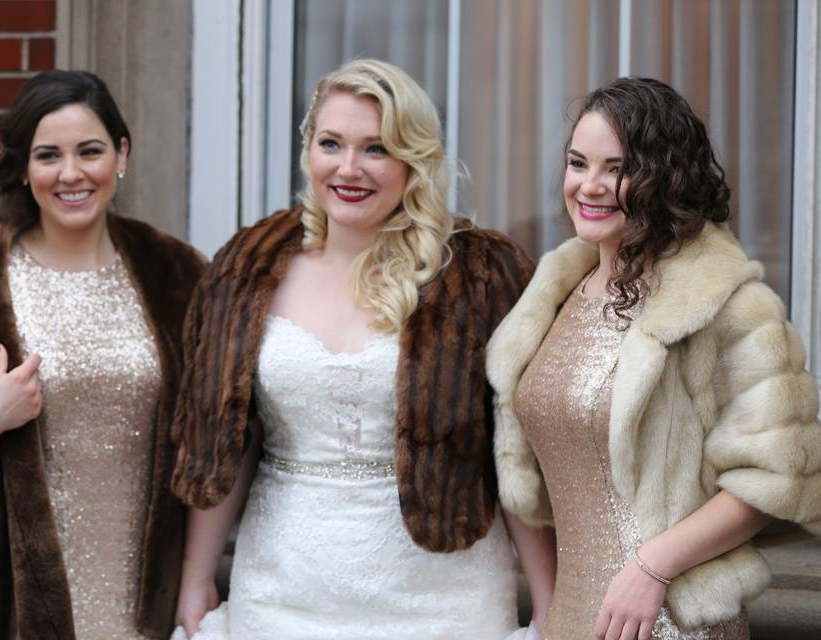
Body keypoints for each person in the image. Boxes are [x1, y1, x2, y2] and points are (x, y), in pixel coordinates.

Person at [169, 58, 556, 640]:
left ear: (413, 159)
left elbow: (513, 451)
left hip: (443, 596)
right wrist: (197, 577)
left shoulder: (477, 276)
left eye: (376, 148)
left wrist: (551, 604)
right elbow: (226, 439)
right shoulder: (247, 270)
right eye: (332, 144)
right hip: (283, 587)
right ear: (309, 151)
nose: (349, 169)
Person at [487, 76, 821, 640]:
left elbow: (773, 478)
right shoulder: (552, 294)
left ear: (667, 179)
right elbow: (525, 468)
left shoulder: (728, 305)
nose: (591, 185)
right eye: (579, 163)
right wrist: (549, 607)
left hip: (671, 617)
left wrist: (652, 567)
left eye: (619, 169)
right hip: (572, 615)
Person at [0, 70, 207, 640]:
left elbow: (215, 436)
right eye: (48, 156)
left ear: (121, 154)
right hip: (21, 600)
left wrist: (194, 581)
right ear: (25, 169)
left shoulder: (175, 273)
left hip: (150, 594)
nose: (71, 174)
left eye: (90, 151)